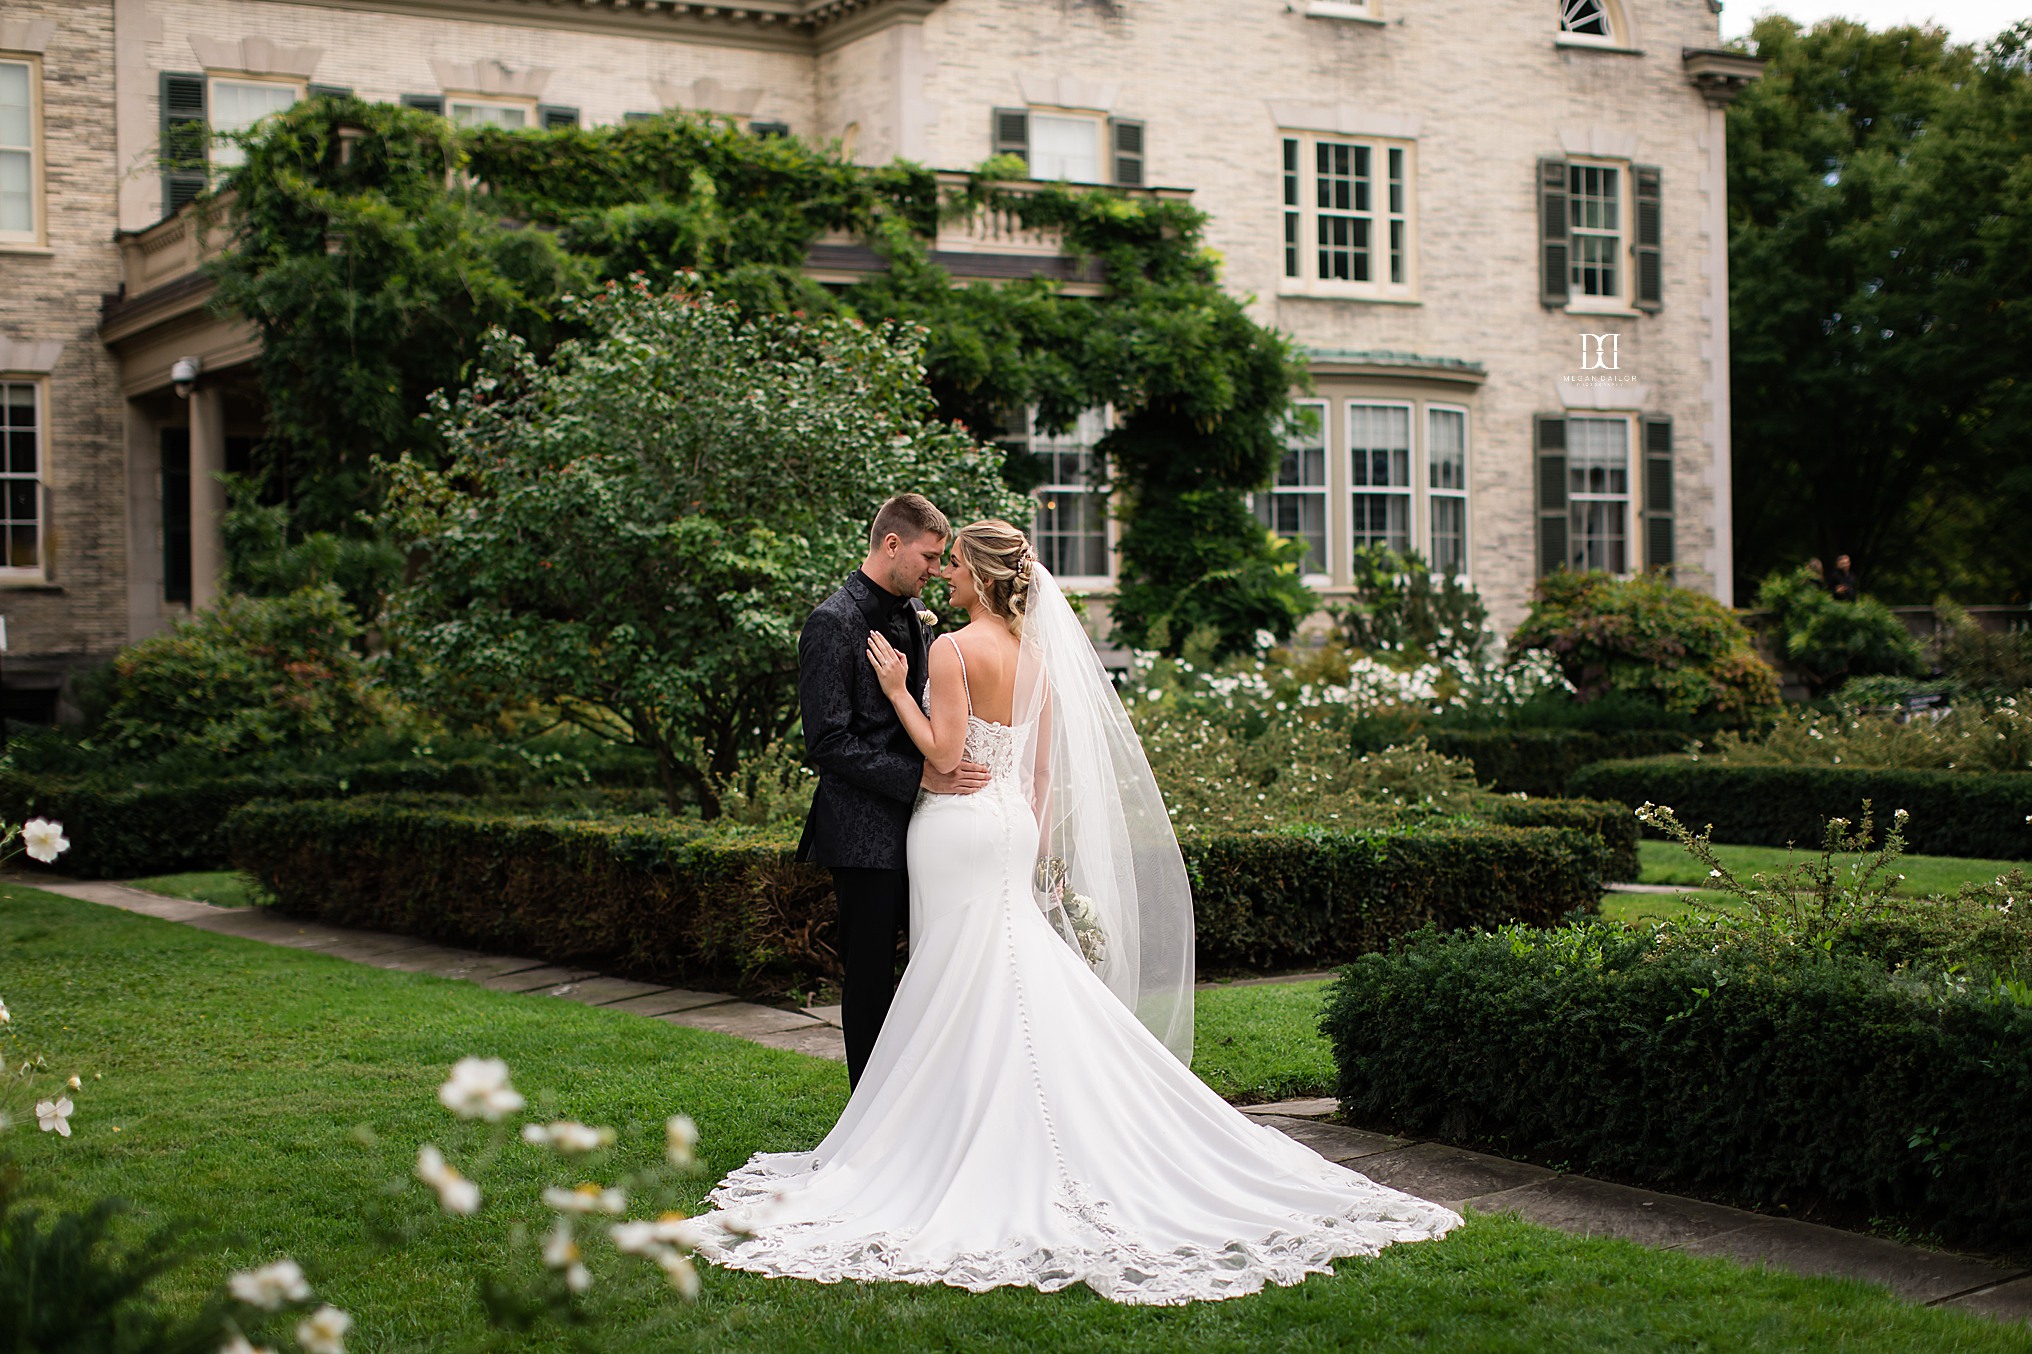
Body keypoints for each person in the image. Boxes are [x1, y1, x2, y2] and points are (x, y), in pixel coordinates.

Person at [694, 519, 1461, 1305]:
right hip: (1009, 828)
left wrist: (897, 689)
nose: (946, 576)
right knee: (1005, 965)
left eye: (955, 565)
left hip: (955, 827)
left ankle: (944, 1131)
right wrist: (1024, 843)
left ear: (983, 579)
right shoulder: (1041, 660)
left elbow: (946, 759)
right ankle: (987, 1117)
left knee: (958, 971)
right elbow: (1043, 777)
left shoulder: (955, 649)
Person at [795, 494, 990, 1089]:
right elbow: (827, 741)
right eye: (931, 557)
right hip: (863, 831)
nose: (936, 569)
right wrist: (921, 777)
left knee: (935, 968)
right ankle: (867, 1115)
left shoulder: (914, 614)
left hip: (928, 827)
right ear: (892, 545)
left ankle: (921, 1105)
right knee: (872, 978)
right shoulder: (832, 622)